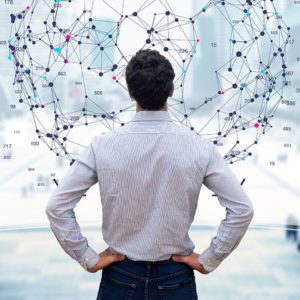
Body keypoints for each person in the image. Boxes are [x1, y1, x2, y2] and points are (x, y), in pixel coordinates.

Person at [45, 49, 254, 300]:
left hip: (119, 277)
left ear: (130, 92)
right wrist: (209, 259)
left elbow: (57, 206)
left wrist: (87, 257)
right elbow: (242, 209)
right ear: (172, 90)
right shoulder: (199, 147)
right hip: (175, 278)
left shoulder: (102, 146)